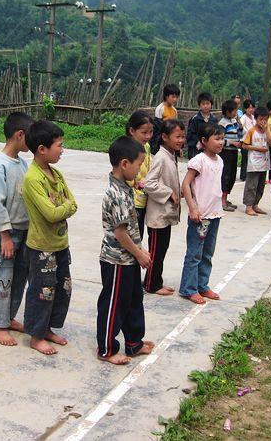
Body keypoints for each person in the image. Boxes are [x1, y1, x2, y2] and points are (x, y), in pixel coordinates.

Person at [97, 136, 155, 365]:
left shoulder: (125, 188)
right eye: (138, 165)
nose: (139, 170)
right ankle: (107, 349)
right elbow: (120, 233)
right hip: (117, 260)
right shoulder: (117, 194)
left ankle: (134, 342)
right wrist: (139, 254)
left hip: (128, 257)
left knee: (133, 300)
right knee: (114, 304)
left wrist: (138, 250)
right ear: (124, 164)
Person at [22, 120, 77, 355]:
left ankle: (48, 328)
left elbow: (73, 202)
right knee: (43, 291)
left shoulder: (56, 173)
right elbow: (51, 213)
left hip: (60, 243)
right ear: (42, 149)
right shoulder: (33, 178)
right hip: (42, 247)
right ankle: (36, 336)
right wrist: (65, 207)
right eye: (59, 145)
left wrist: (64, 207)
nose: (62, 150)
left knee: (62, 288)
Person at [0, 112, 35, 346]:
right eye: (30, 137)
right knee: (2, 277)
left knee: (19, 277)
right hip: (5, 233)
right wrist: (5, 236)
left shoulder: (22, 163)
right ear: (20, 135)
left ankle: (8, 317)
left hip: (24, 230)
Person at [178, 123, 225, 304]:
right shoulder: (199, 160)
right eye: (217, 138)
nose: (221, 142)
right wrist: (192, 208)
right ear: (204, 141)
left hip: (215, 214)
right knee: (194, 254)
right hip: (200, 216)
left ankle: (202, 285)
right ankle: (188, 289)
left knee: (207, 253)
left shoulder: (219, 161)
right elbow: (185, 184)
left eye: (222, 139)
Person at [144, 119, 184, 296]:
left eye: (182, 137)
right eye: (177, 137)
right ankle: (151, 284)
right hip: (158, 216)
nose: (181, 140)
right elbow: (149, 183)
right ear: (165, 137)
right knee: (156, 251)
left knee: (162, 250)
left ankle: (156, 281)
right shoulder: (160, 157)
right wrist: (169, 193)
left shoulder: (171, 155)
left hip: (165, 214)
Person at [125, 111, 154, 237]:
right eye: (144, 132)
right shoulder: (126, 149)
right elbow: (122, 174)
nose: (148, 136)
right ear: (132, 131)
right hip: (131, 200)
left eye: (151, 132)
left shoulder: (146, 146)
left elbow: (150, 165)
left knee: (139, 234)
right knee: (132, 235)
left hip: (143, 198)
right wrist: (135, 183)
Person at [241, 106, 271, 216]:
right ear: (256, 119)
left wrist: (267, 129)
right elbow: (244, 145)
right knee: (251, 186)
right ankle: (248, 206)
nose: (263, 122)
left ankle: (255, 204)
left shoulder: (266, 131)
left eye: (265, 119)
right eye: (260, 119)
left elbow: (270, 142)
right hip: (254, 163)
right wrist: (258, 149)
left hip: (264, 162)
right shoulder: (252, 131)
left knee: (260, 186)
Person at [218, 99, 242, 212]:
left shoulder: (234, 122)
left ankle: (225, 198)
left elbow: (240, 134)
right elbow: (219, 138)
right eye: (234, 111)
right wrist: (232, 143)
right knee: (225, 176)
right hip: (226, 152)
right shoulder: (222, 123)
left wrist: (240, 125)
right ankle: (222, 201)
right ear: (227, 112)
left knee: (232, 175)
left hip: (234, 151)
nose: (236, 113)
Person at [186, 92, 217, 159]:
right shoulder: (195, 119)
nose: (205, 106)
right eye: (203, 104)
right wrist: (199, 142)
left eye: (207, 103)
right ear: (199, 105)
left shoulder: (214, 120)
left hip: (209, 149)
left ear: (211, 105)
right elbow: (190, 135)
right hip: (196, 150)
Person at [239, 99, 256, 181]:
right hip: (245, 141)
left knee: (251, 158)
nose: (251, 109)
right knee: (245, 158)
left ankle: (250, 174)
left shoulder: (254, 117)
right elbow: (242, 128)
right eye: (249, 108)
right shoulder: (243, 118)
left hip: (253, 141)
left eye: (252, 108)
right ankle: (243, 175)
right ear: (245, 109)